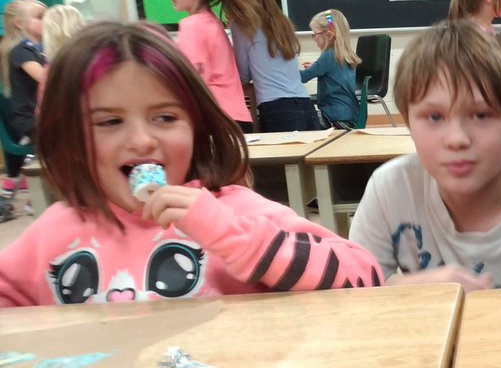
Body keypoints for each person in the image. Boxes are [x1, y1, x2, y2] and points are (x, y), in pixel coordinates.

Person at [0, 22, 382, 306]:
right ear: (69, 139)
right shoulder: (57, 228)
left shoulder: (234, 213)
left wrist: (241, 242)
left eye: (165, 118)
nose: (142, 140)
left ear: (196, 126)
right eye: (110, 122)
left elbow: (366, 276)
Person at [349, 21, 501, 291]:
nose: (456, 139)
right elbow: (354, 292)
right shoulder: (391, 188)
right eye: (434, 116)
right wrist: (412, 288)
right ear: (408, 122)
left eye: (481, 115)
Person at [165, 0, 259, 132]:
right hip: (235, 117)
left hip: (215, 119)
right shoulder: (213, 22)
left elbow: (194, 79)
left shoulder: (193, 25)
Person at [231, 0, 320, 133]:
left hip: (276, 109)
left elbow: (243, 76)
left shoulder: (242, 25)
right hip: (306, 105)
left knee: (282, 158)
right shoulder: (282, 21)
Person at [0, 0, 44, 198]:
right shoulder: (20, 51)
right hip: (28, 120)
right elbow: (46, 78)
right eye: (40, 17)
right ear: (19, 23)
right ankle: (47, 190)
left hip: (39, 116)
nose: (46, 20)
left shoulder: (38, 50)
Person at [300, 9, 360, 129]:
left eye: (315, 34)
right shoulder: (344, 55)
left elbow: (303, 77)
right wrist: (316, 66)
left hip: (335, 117)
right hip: (349, 115)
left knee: (302, 119)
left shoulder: (328, 56)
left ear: (328, 35)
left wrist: (284, 70)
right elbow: (332, 71)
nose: (314, 38)